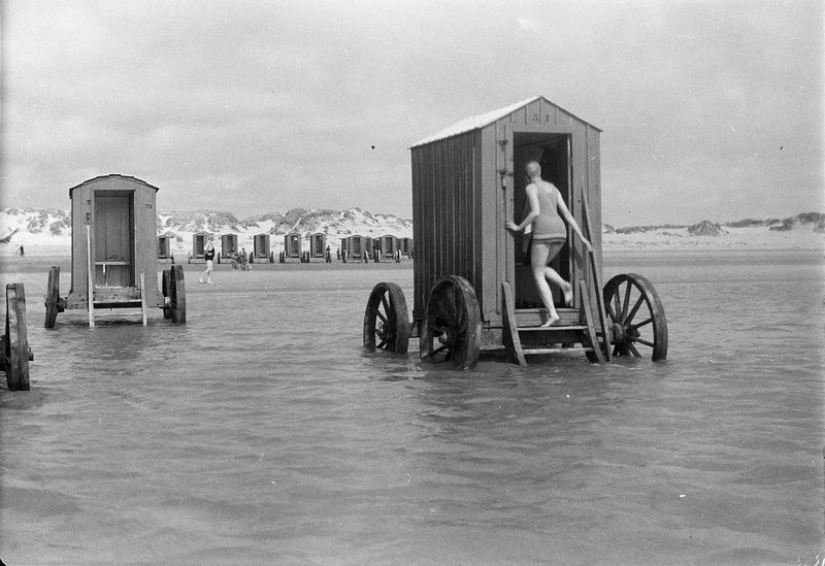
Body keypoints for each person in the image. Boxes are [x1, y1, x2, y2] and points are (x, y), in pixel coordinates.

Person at [505, 160, 592, 327]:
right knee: (542, 267)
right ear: (540, 172)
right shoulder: (553, 188)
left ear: (526, 177)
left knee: (537, 273)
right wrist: (582, 237)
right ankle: (564, 284)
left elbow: (535, 212)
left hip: (543, 231)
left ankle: (553, 313)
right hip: (561, 231)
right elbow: (567, 214)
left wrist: (518, 227)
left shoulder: (531, 188)